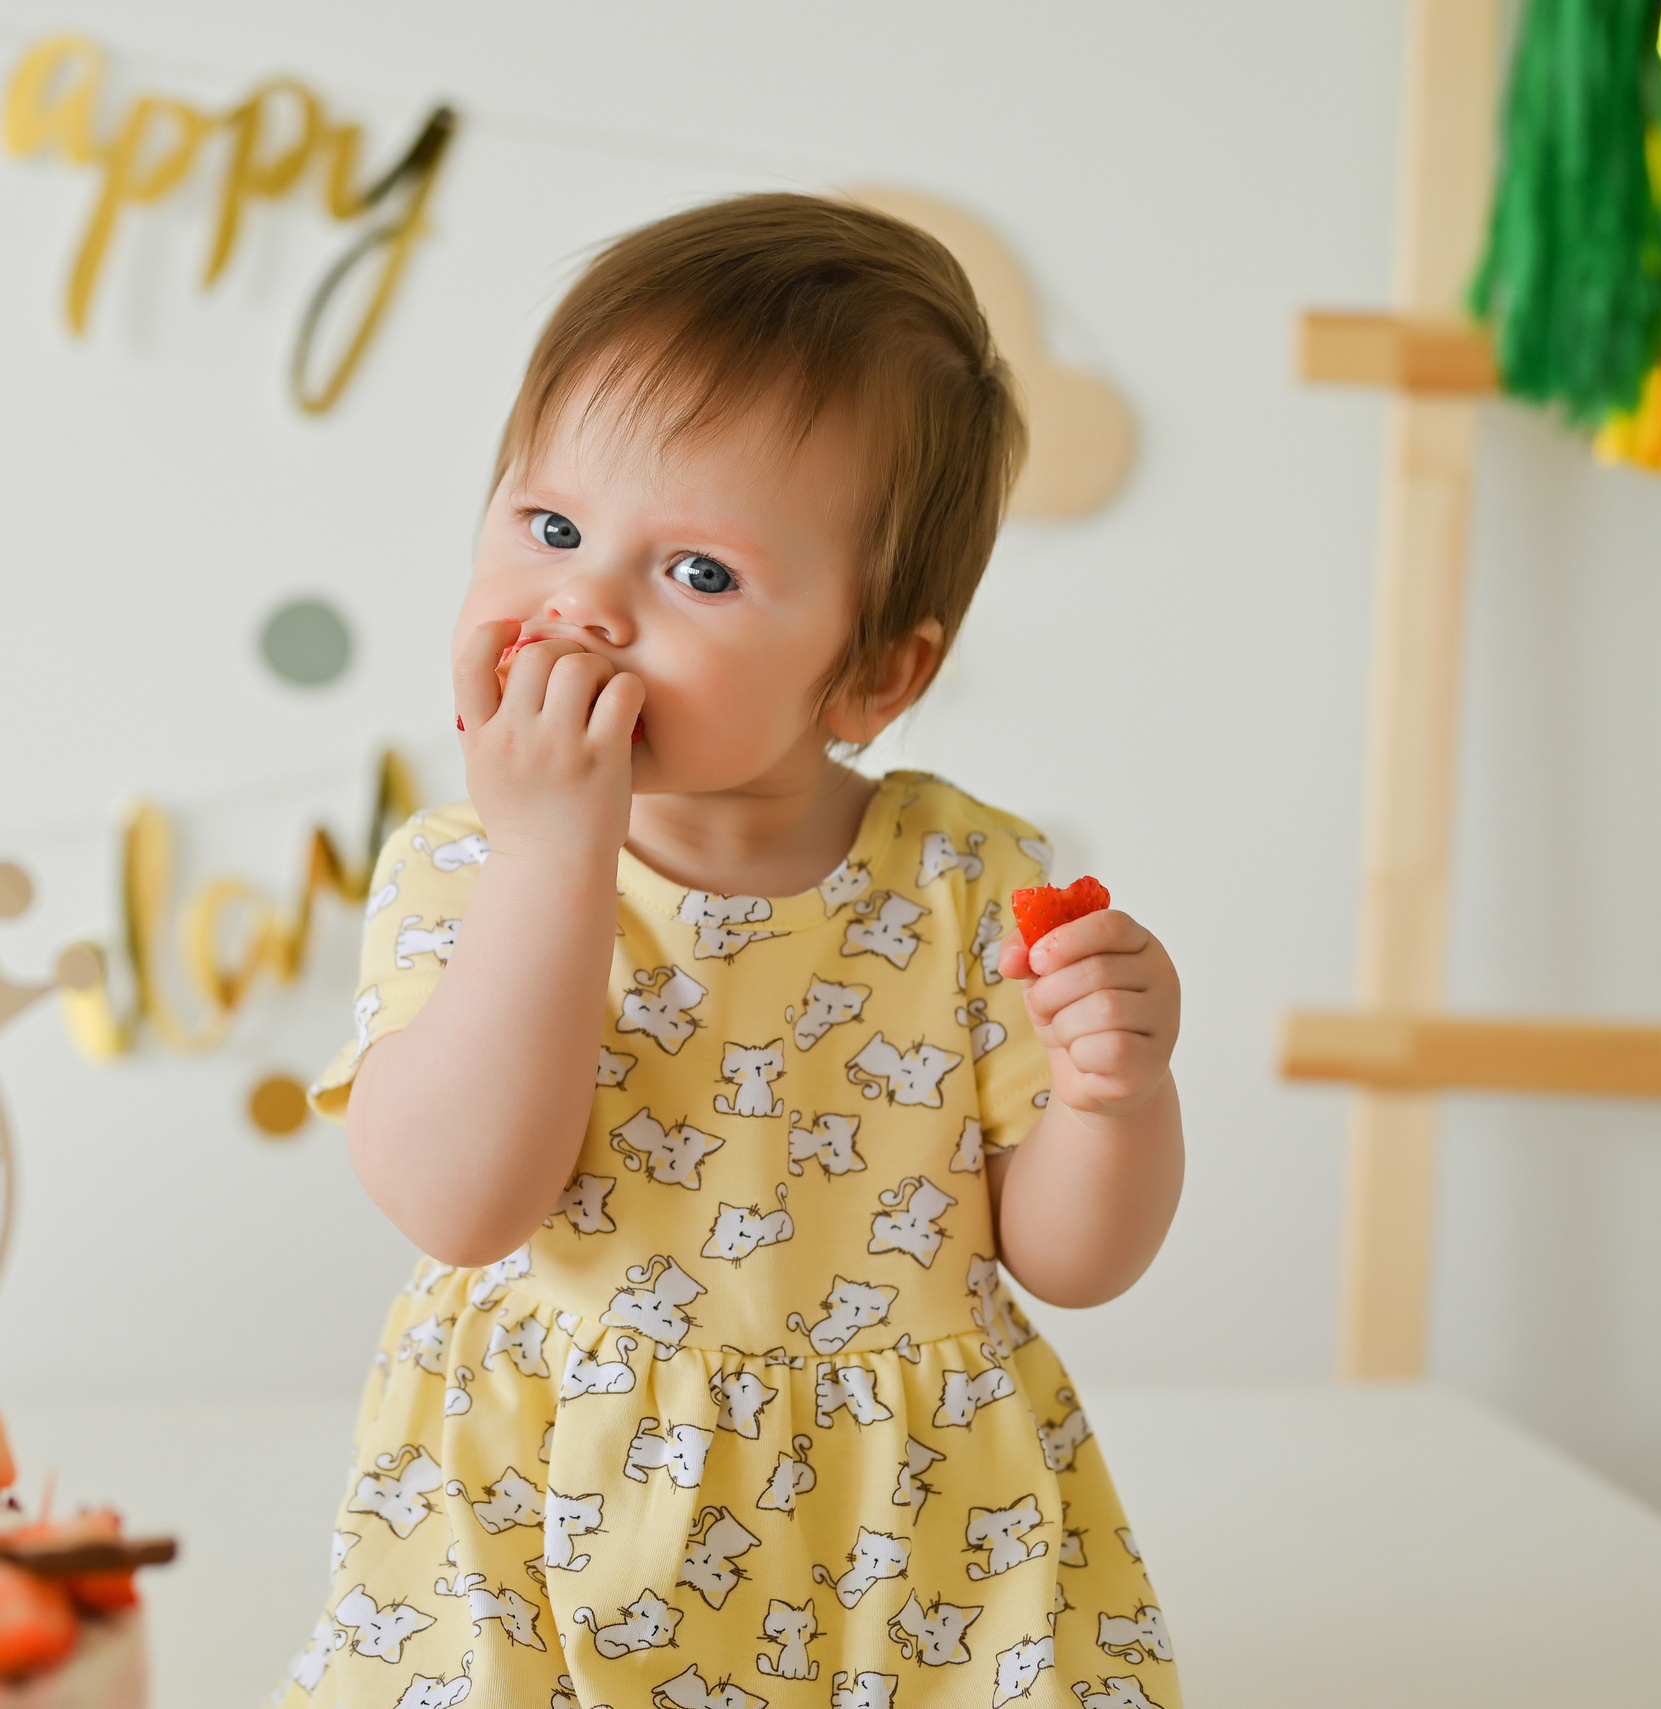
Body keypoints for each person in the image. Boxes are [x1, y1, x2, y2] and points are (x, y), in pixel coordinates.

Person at [276, 194, 1184, 1708]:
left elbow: (1073, 1259)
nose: (583, 603)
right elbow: (460, 1198)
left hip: (900, 1537)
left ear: (877, 672)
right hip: (554, 1509)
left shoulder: (967, 876)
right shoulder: (467, 867)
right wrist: (557, 856)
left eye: (697, 573)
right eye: (552, 526)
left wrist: (1115, 1093)